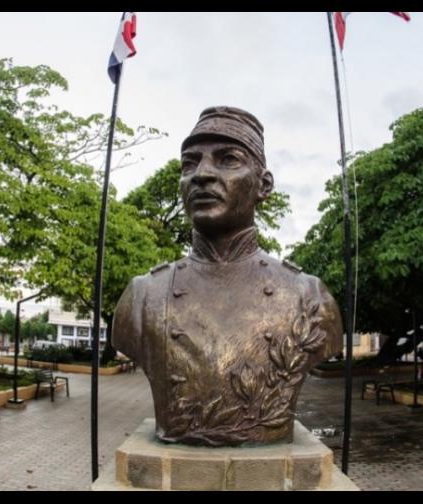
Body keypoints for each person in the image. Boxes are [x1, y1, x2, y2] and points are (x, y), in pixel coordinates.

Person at [112, 107, 343, 447]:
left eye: (227, 159)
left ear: (263, 185)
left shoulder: (308, 296)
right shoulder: (144, 295)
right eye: (189, 163)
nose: (201, 174)